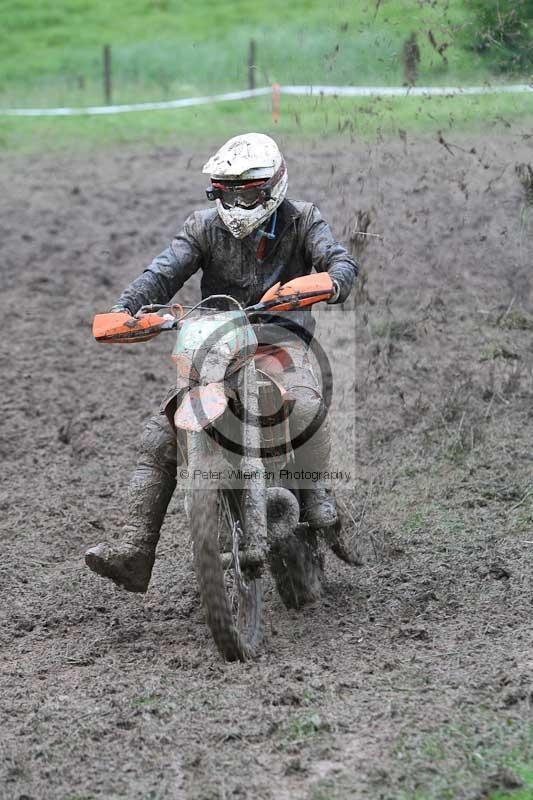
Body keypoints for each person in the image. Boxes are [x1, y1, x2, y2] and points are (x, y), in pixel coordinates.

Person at [85, 133, 358, 593]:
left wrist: (328, 282)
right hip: (216, 341)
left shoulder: (303, 219)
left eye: (247, 191)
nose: (236, 200)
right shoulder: (202, 227)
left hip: (282, 340)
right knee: (160, 436)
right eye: (226, 191)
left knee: (305, 405)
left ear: (271, 187)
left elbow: (340, 262)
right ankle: (135, 548)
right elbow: (162, 273)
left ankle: (314, 494)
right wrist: (126, 308)